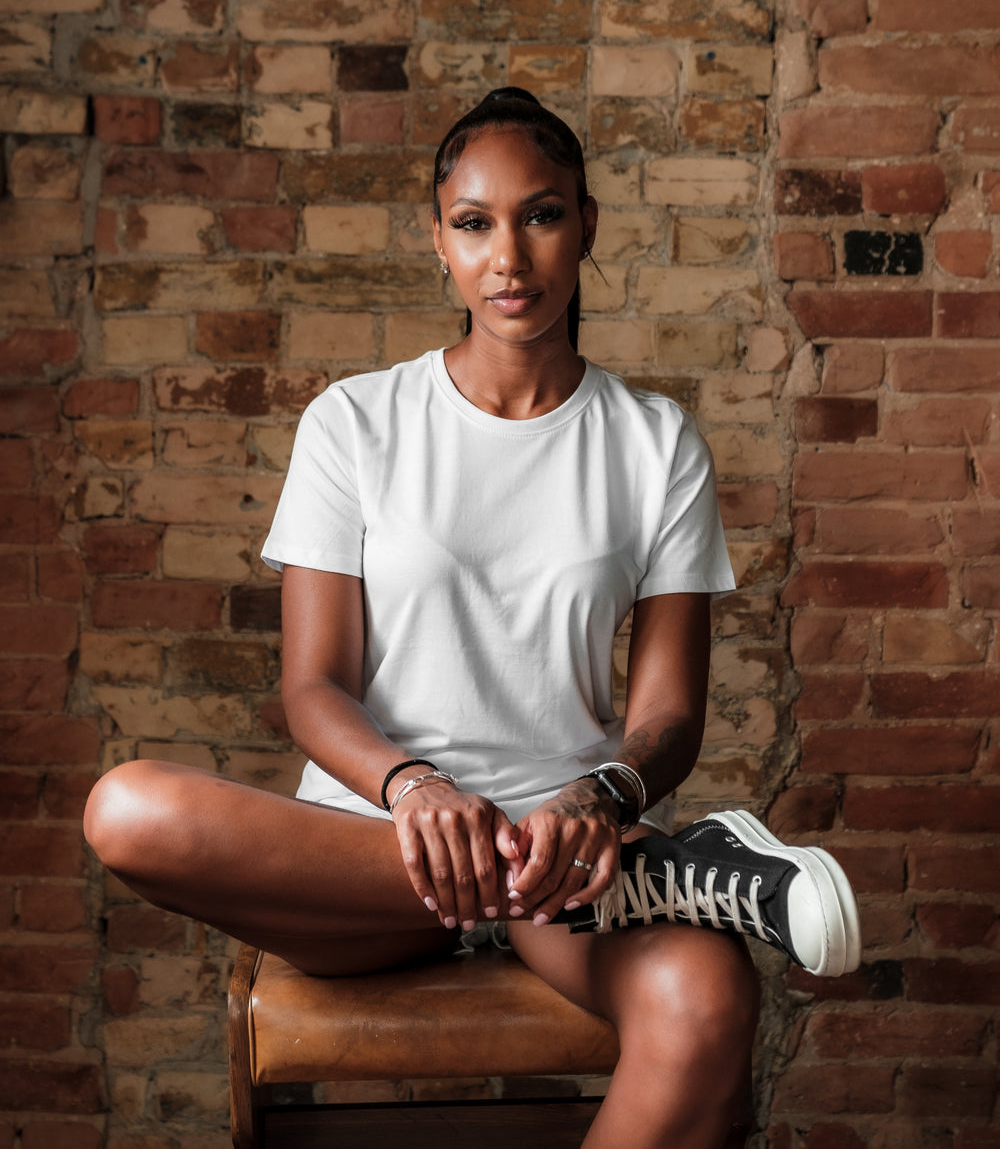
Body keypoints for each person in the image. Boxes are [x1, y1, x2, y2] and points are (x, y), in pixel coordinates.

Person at [85, 88, 860, 1149]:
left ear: (586, 224)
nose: (510, 256)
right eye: (474, 222)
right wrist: (416, 788)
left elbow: (669, 714)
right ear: (437, 240)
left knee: (709, 996)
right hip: (375, 856)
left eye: (540, 216)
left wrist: (603, 794)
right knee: (127, 810)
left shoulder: (654, 441)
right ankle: (651, 872)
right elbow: (312, 689)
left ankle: (594, 871)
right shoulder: (355, 422)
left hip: (574, 855)